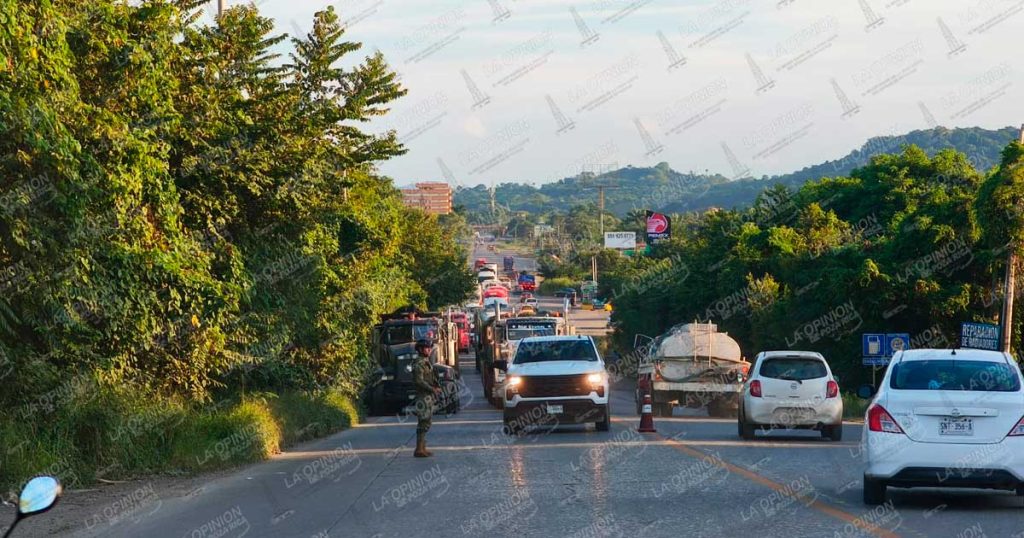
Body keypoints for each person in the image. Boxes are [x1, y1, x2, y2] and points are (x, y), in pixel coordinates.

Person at [412, 339, 441, 457]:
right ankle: (419, 448)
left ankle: (422, 447)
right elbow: (419, 381)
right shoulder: (419, 364)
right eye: (426, 348)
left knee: (426, 421)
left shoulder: (426, 362)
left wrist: (435, 388)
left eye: (429, 347)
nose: (429, 350)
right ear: (420, 349)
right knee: (423, 421)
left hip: (428, 396)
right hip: (423, 396)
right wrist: (432, 389)